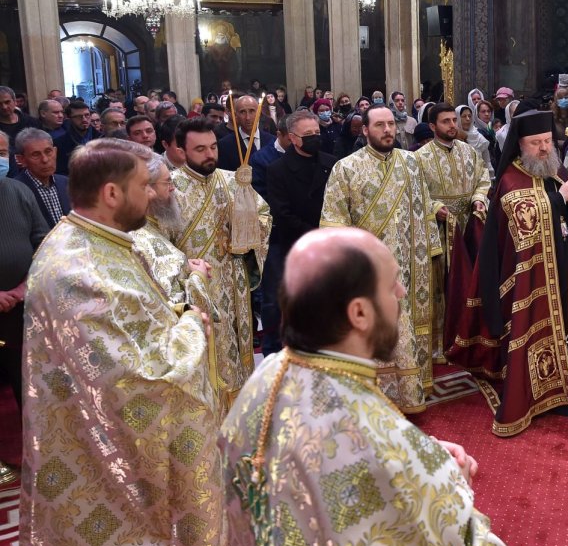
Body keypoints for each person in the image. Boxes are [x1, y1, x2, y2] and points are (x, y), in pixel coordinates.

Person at [220, 227, 517, 546]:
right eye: (392, 285)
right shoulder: (370, 434)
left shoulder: (267, 376)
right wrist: (454, 482)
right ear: (359, 313)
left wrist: (424, 457)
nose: (403, 293)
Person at [20, 139, 223, 546]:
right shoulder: (79, 270)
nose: (153, 195)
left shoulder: (101, 242)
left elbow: (137, 323)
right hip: (109, 466)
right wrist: (191, 323)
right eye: (142, 186)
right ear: (112, 194)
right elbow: (137, 379)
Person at [450, 110, 568, 436]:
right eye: (536, 143)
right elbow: (525, 226)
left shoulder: (556, 172)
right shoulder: (510, 179)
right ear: (520, 145)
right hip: (525, 279)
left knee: (564, 320)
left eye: (547, 141)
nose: (545, 149)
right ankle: (534, 393)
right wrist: (559, 202)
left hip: (560, 268)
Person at [320, 105, 440, 410]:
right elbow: (332, 221)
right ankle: (377, 396)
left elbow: (425, 207)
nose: (387, 130)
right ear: (365, 130)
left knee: (408, 324)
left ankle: (412, 392)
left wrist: (432, 251)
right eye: (379, 125)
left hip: (412, 263)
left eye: (390, 125)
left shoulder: (411, 163)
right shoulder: (345, 168)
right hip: (369, 270)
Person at [172, 118, 271, 412]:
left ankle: (239, 413)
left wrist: (249, 235)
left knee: (236, 348)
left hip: (233, 283)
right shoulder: (168, 188)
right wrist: (184, 267)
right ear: (181, 150)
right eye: (200, 149)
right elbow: (154, 242)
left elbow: (264, 216)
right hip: (195, 288)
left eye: (213, 147)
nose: (210, 154)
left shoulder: (233, 181)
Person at [414, 102, 492, 364]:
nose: (451, 125)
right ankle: (441, 343)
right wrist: (434, 207)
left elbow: (483, 177)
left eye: (453, 120)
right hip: (438, 230)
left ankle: (469, 335)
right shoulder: (419, 158)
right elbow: (415, 193)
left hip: (468, 224)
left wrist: (480, 199)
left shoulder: (469, 152)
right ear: (433, 126)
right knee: (442, 286)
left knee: (470, 281)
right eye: (445, 122)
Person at [263, 110, 335, 355]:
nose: (315, 137)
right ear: (293, 138)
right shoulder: (277, 170)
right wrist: (315, 233)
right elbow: (282, 214)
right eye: (308, 134)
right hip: (297, 246)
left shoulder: (332, 163)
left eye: (317, 133)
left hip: (330, 246)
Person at [132, 154, 216, 316]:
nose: (173, 188)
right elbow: (167, 303)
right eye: (167, 182)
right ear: (147, 187)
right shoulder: (137, 235)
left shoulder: (150, 223)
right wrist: (198, 276)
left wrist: (185, 267)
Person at [0, 142, 47, 407]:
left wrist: (23, 287)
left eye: (2, 153)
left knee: (24, 383)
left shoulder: (18, 190)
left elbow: (42, 241)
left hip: (21, 305)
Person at [11, 128, 70, 227]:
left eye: (48, 151)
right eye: (36, 154)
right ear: (21, 160)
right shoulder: (15, 190)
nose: (45, 160)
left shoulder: (66, 182)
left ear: (55, 151)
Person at [217, 94, 270, 171]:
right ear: (235, 115)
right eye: (242, 112)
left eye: (252, 111)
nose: (247, 117)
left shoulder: (272, 141)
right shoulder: (224, 145)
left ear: (259, 113)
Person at [54, 99, 96, 173]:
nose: (84, 119)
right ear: (69, 119)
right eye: (78, 117)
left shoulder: (102, 138)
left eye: (87, 115)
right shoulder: (60, 143)